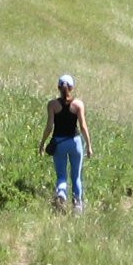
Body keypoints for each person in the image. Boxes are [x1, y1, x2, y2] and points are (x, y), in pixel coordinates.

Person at [39, 73, 92, 212]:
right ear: (72, 88)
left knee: (61, 175)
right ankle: (77, 205)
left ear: (58, 87)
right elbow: (83, 127)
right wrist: (89, 146)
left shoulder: (52, 105)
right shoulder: (78, 104)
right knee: (76, 176)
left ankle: (61, 194)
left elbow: (50, 126)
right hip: (75, 142)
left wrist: (42, 143)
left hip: (59, 142)